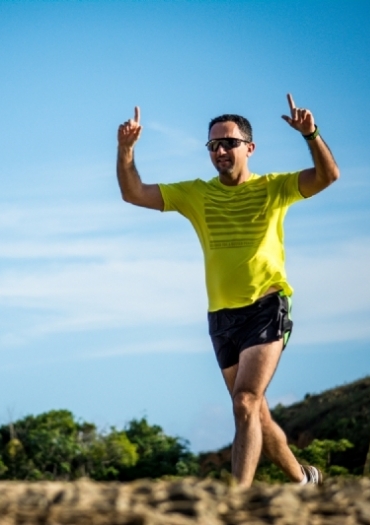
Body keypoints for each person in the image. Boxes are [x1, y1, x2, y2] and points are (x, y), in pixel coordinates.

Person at [115, 94, 339, 487]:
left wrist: (311, 135)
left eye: (229, 143)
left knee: (245, 402)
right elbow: (134, 193)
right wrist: (126, 150)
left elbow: (327, 176)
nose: (220, 150)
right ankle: (303, 480)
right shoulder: (195, 194)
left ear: (249, 148)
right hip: (221, 317)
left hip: (267, 306)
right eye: (213, 145)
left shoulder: (275, 187)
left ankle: (238, 500)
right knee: (255, 413)